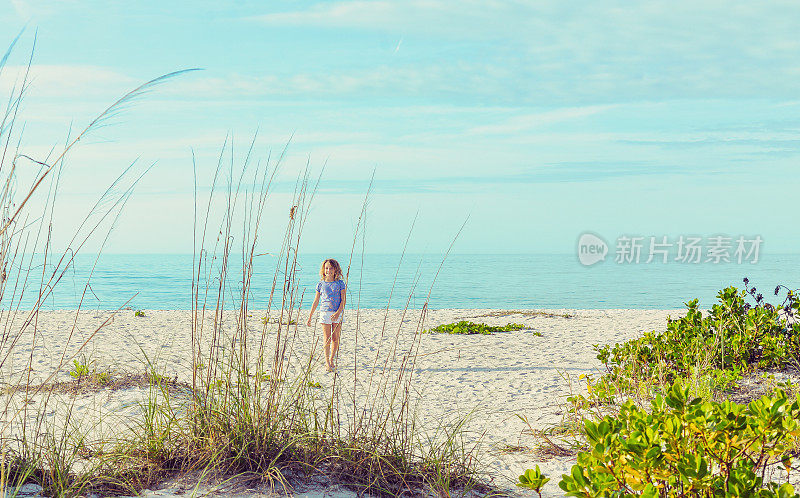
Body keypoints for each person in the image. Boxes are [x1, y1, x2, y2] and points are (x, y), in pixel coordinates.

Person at [306, 258, 346, 372]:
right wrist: (310, 316)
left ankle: (332, 358)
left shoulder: (340, 283)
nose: (328, 270)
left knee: (335, 338)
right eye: (327, 268)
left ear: (335, 270)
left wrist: (338, 312)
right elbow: (316, 301)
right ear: (324, 270)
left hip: (337, 313)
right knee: (326, 338)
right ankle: (327, 362)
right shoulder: (320, 284)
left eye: (331, 268)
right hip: (324, 313)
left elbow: (343, 299)